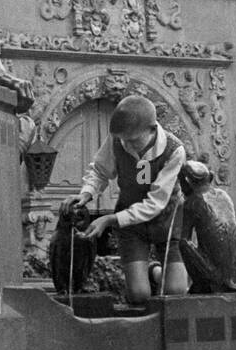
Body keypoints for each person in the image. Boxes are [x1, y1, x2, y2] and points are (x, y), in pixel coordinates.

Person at [71, 95, 186, 306]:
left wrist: (109, 220)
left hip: (166, 220)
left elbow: (155, 203)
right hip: (131, 224)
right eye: (124, 140)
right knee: (139, 295)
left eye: (133, 140)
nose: (128, 144)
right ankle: (147, 274)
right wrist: (86, 193)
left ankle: (156, 273)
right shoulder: (120, 139)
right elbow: (99, 170)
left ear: (152, 129)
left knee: (176, 292)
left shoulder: (174, 150)